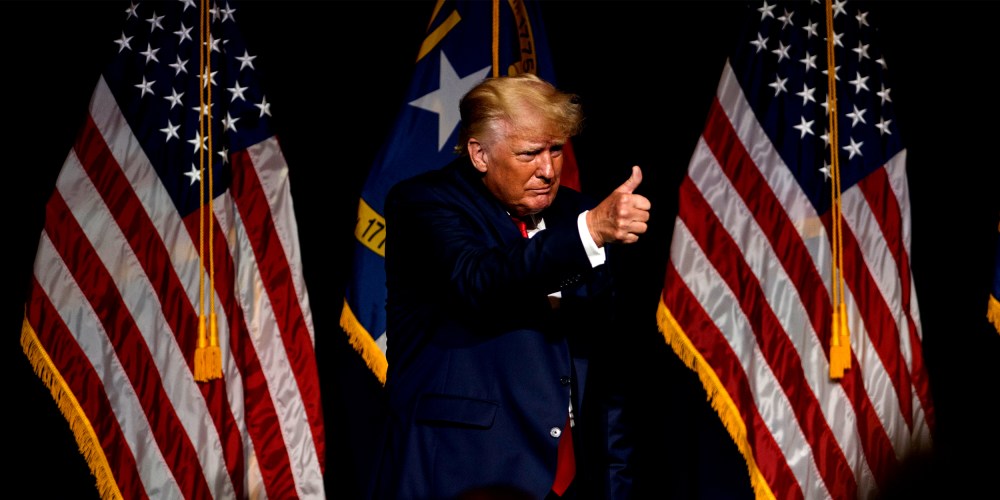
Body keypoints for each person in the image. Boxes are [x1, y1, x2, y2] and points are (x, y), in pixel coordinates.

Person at [373, 72, 650, 500]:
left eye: (556, 150)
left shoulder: (578, 214)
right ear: (480, 154)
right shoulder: (423, 203)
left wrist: (617, 482)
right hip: (462, 475)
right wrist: (590, 232)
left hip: (574, 479)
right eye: (529, 153)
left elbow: (605, 362)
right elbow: (482, 280)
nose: (547, 169)